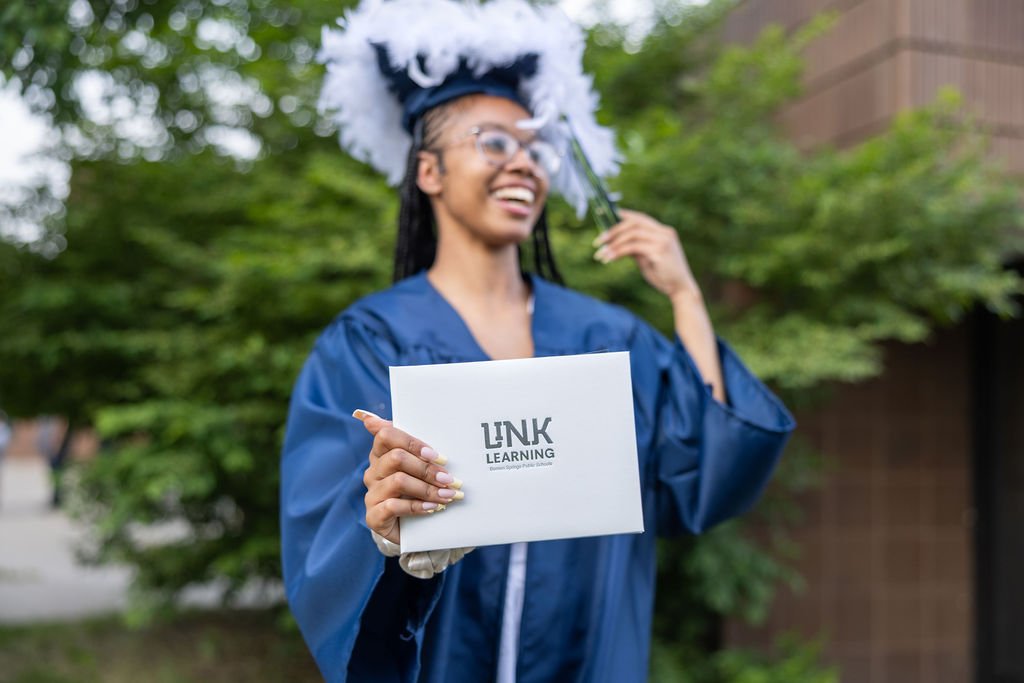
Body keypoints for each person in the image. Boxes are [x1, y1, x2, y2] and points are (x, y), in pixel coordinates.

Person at [281, 1, 795, 681]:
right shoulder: (372, 340)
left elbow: (702, 470)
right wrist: (380, 525)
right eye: (493, 141)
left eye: (533, 147)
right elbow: (327, 531)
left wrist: (685, 294)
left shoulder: (604, 336)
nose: (523, 162)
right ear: (428, 172)